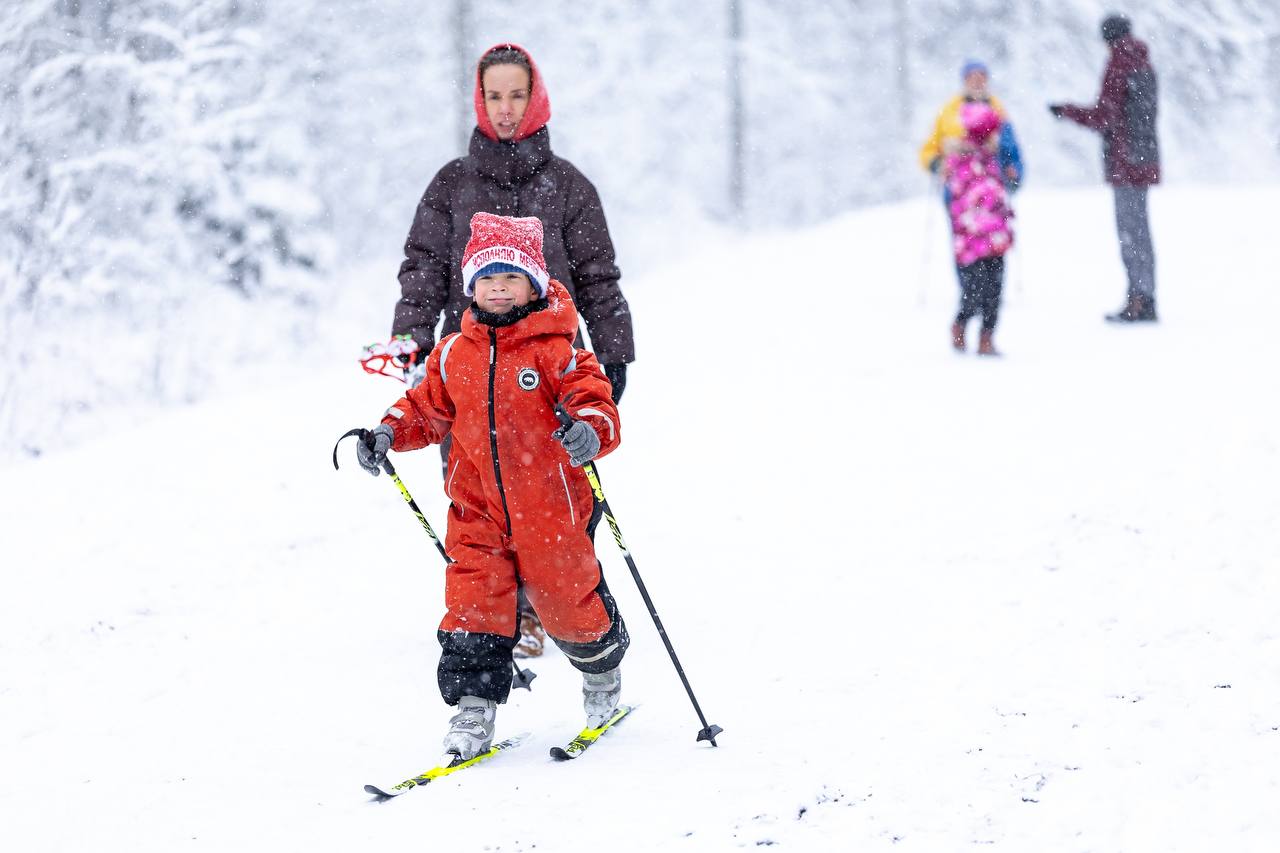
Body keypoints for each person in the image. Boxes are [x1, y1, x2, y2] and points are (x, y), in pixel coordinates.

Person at [393, 43, 636, 657]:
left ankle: (565, 600)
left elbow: (598, 276)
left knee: (554, 494)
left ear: (537, 98)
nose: (505, 109)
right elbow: (421, 269)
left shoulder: (569, 187)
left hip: (549, 369)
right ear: (480, 100)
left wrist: (613, 353)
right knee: (476, 494)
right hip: (469, 365)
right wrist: (410, 339)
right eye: (494, 96)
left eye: (516, 95)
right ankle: (504, 615)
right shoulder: (451, 185)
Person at [359, 212, 629, 760]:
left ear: (533, 283)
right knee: (473, 605)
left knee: (566, 602)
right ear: (471, 286)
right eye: (486, 278)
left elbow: (596, 402)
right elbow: (424, 408)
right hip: (476, 509)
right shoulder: (454, 353)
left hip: (550, 508)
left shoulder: (559, 350)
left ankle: (601, 678)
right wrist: (387, 432)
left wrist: (589, 431)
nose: (497, 288)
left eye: (510, 277)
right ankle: (473, 712)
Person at [1050, 14, 1160, 322]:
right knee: (1140, 232)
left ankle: (1139, 299)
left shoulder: (1119, 65)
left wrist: (1067, 111)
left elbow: (1105, 117)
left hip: (1125, 161)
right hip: (1144, 157)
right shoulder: (1145, 65)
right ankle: (1144, 296)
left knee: (1130, 232)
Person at [945, 103, 1015, 356]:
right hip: (972, 240)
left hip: (995, 237)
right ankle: (961, 324)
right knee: (974, 290)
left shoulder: (994, 159)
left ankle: (987, 337)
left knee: (995, 290)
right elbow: (960, 200)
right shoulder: (962, 162)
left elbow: (1000, 190)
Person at [920, 60, 1024, 199]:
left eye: (981, 76)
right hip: (957, 190)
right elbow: (930, 148)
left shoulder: (998, 110)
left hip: (993, 187)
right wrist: (937, 164)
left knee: (992, 219)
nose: (977, 81)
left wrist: (1015, 174)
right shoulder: (949, 111)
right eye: (972, 77)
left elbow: (1011, 149)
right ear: (965, 80)